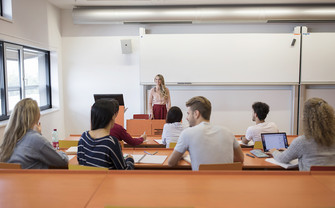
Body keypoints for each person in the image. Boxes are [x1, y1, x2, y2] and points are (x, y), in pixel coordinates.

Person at [168, 96, 244, 171]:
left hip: (201, 182)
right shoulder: (228, 132)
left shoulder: (187, 133)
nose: (186, 118)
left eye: (188, 113)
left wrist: (184, 156)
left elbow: (171, 163)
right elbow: (240, 158)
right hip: (226, 182)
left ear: (196, 113)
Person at [269, 98, 335, 171]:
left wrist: (273, 151)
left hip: (310, 181)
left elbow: (282, 159)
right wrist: (289, 150)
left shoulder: (302, 141)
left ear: (307, 119)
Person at [0, 98, 68, 169]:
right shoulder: (35, 138)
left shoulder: (9, 138)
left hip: (12, 179)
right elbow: (63, 161)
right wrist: (63, 153)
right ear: (36, 116)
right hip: (31, 179)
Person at [77, 99, 134, 169]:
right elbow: (124, 171)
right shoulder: (111, 142)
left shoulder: (84, 137)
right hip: (107, 179)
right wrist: (130, 160)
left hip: (88, 179)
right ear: (113, 117)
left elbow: (80, 162)